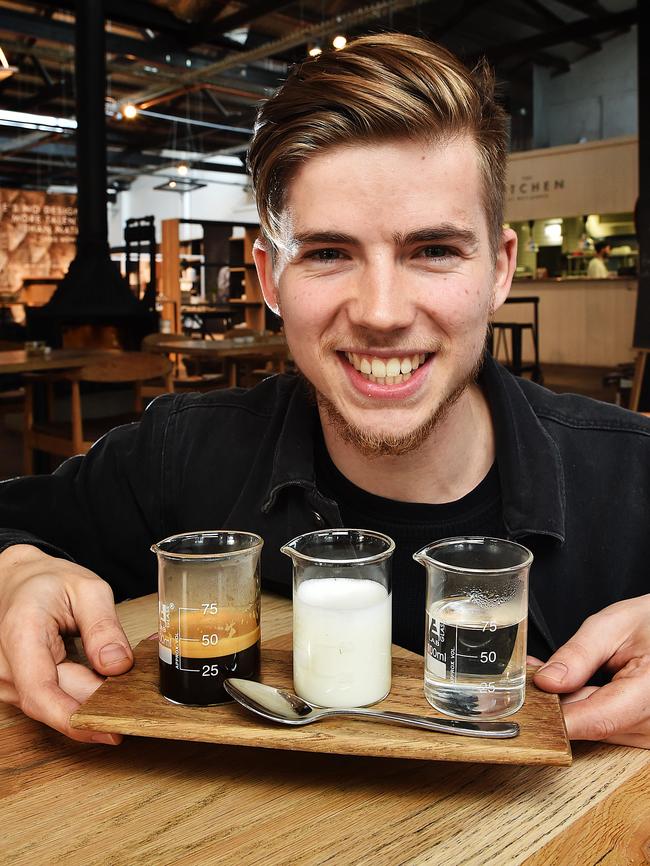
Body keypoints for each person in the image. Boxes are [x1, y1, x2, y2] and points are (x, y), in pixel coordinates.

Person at [0, 33, 648, 749]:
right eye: (329, 253)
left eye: (433, 250)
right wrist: (17, 573)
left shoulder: (632, 475)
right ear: (269, 278)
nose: (380, 311)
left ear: (498, 270)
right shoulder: (182, 452)